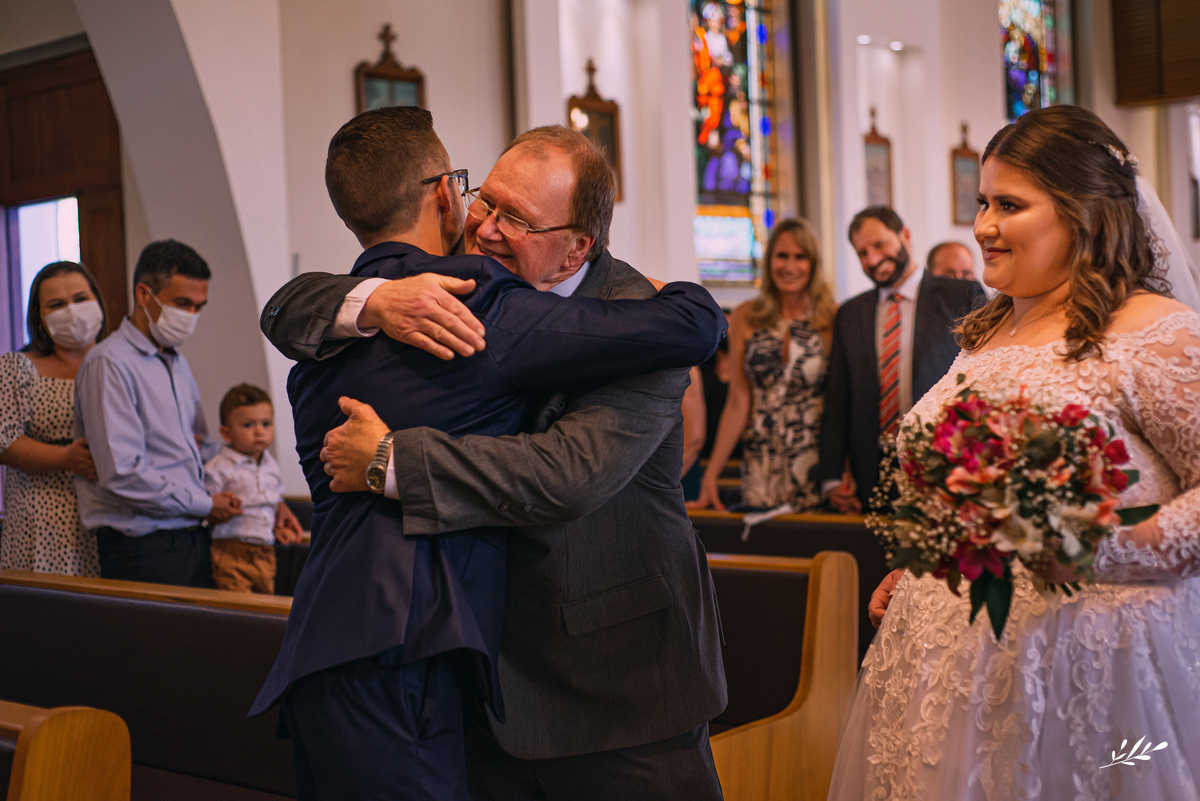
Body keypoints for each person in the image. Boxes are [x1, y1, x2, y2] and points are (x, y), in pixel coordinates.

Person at [249, 110, 726, 800]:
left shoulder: (636, 319)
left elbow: (569, 472)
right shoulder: (439, 289)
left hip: (617, 684)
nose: (487, 227)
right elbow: (289, 307)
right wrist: (376, 298)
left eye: (519, 220)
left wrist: (392, 458)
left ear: (575, 248)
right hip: (486, 674)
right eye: (487, 201)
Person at [829, 105, 1200, 800]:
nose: (983, 227)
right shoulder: (985, 334)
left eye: (1009, 204)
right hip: (949, 672)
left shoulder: (1154, 332)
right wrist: (919, 565)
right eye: (981, 202)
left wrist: (1098, 548)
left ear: (1083, 212)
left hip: (1089, 672)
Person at [74, 240, 242, 587]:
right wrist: (204, 503)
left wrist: (262, 495)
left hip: (191, 535)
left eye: (199, 307)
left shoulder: (176, 361)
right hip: (142, 546)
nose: (191, 317)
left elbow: (199, 448)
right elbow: (123, 473)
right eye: (182, 303)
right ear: (144, 294)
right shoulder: (109, 363)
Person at [818, 207, 985, 513]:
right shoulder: (850, 314)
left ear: (904, 236)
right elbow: (838, 398)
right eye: (862, 253)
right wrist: (831, 475)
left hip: (945, 464)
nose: (871, 259)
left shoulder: (959, 295)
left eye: (879, 245)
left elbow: (984, 380)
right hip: (870, 470)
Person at [693, 217, 836, 511]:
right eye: (781, 256)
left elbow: (839, 402)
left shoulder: (831, 318)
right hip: (761, 458)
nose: (790, 266)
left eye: (800, 257)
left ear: (814, 263)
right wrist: (712, 474)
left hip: (813, 458)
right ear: (769, 261)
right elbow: (738, 402)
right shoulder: (747, 316)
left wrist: (842, 472)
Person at [0, 261, 104, 575]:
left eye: (81, 298)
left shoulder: (120, 363)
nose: (72, 310)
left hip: (114, 521)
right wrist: (67, 458)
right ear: (40, 316)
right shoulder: (16, 367)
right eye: (57, 305)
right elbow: (4, 442)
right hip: (44, 524)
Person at [203, 384, 303, 593]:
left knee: (265, 605)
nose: (259, 432)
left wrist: (279, 524)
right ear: (226, 433)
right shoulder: (219, 467)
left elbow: (273, 502)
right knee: (238, 609)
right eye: (248, 425)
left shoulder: (271, 464)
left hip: (266, 550)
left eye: (266, 424)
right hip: (232, 548)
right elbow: (205, 504)